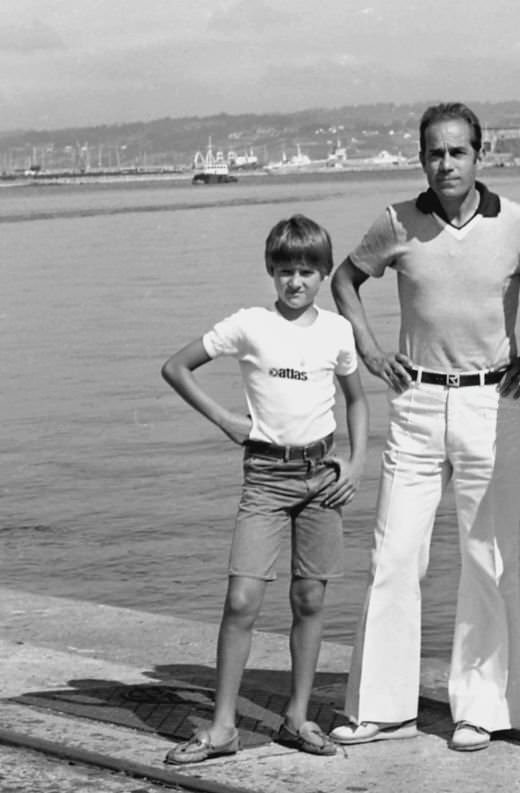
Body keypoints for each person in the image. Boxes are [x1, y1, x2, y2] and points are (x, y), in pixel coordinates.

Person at [328, 102, 520, 752]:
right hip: (416, 400)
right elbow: (345, 280)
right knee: (393, 554)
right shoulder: (397, 221)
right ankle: (382, 708)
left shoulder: (518, 223)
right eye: (435, 152)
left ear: (479, 155)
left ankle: (480, 708)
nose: (447, 163)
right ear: (421, 157)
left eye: (458, 151)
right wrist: (371, 353)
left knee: (487, 558)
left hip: (493, 401)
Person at [161, 214, 369, 764]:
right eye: (284, 271)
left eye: (306, 271)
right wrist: (227, 421)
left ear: (324, 272)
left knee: (310, 597)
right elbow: (177, 367)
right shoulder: (249, 324)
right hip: (266, 478)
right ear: (270, 273)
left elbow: (356, 400)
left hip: (322, 477)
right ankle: (223, 727)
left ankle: (298, 719)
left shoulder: (337, 331)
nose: (295, 282)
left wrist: (356, 460)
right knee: (242, 599)